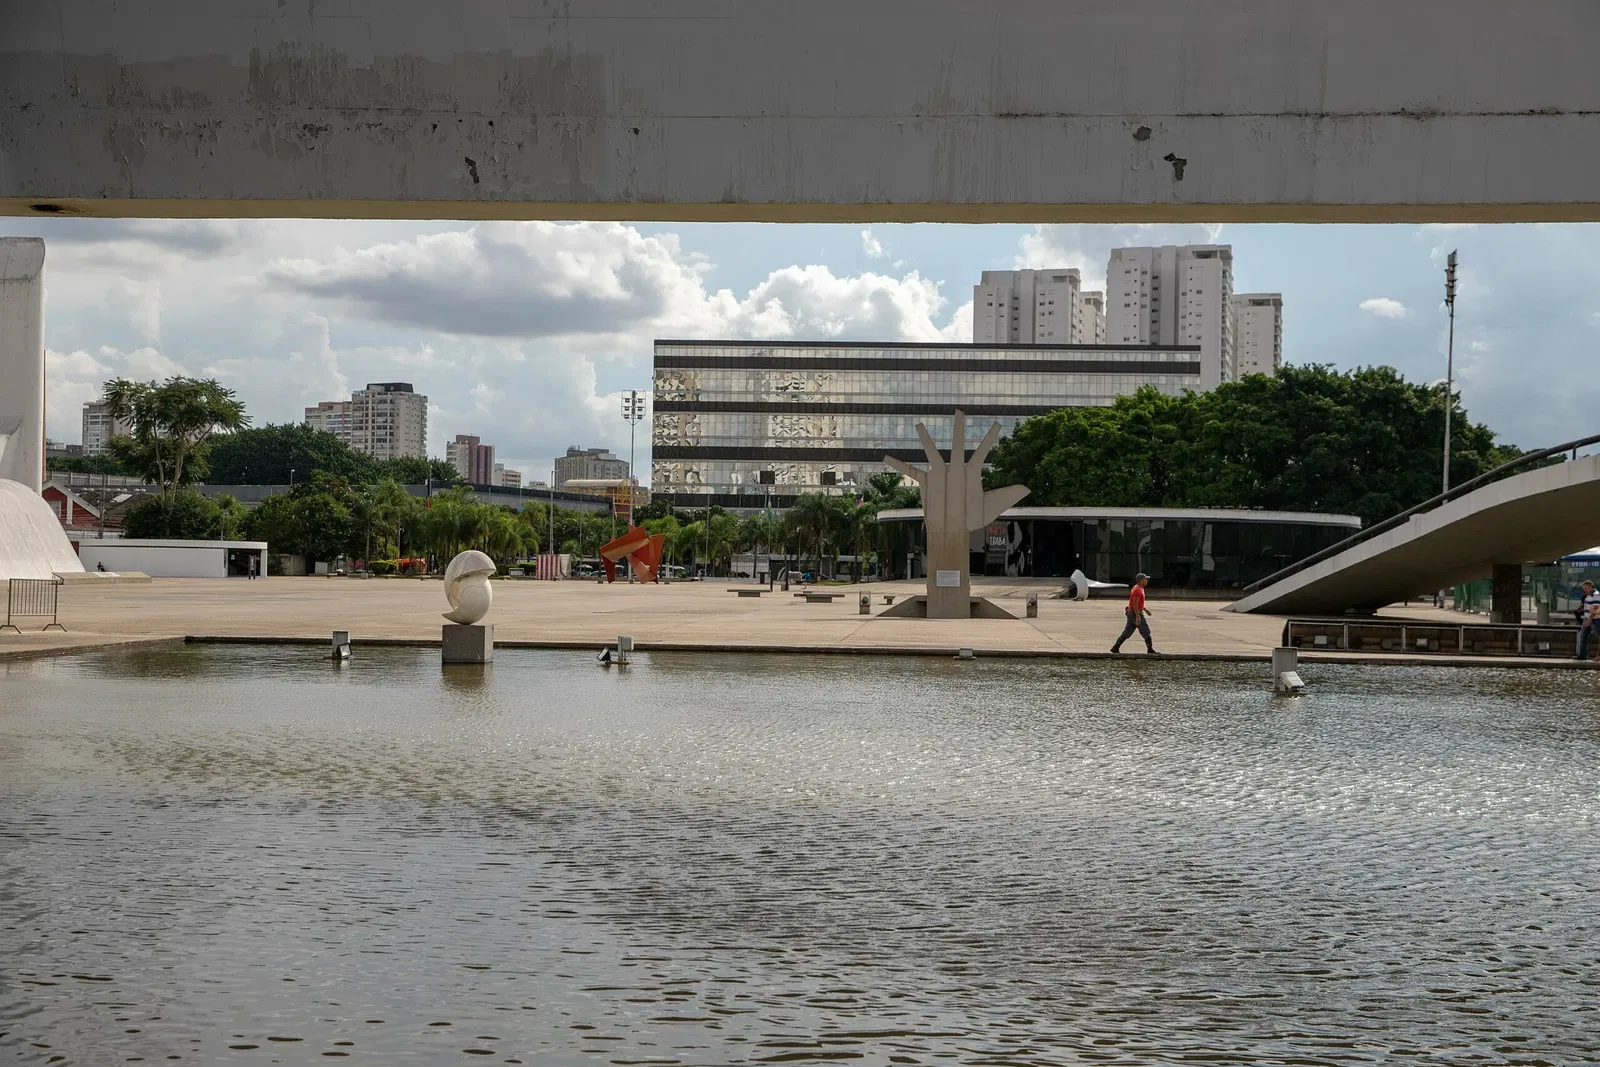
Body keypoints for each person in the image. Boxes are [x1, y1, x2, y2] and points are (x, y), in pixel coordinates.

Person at [1111, 573, 1158, 655]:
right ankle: (1150, 650)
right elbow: (1135, 604)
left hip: (1131, 612)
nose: (1147, 580)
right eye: (1145, 579)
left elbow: (1138, 603)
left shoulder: (1139, 588)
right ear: (1141, 580)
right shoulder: (1137, 590)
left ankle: (1115, 647)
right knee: (1146, 631)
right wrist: (1138, 616)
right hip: (1134, 613)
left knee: (1127, 631)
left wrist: (1145, 609)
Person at [1576, 580, 1600, 660]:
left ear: (1590, 587)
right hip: (1587, 618)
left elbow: (1595, 609)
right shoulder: (1588, 595)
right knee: (1582, 636)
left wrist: (1590, 619)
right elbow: (1589, 607)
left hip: (1595, 620)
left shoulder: (1596, 595)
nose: (1584, 590)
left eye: (1586, 588)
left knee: (1598, 636)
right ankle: (1582, 655)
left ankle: (1598, 656)